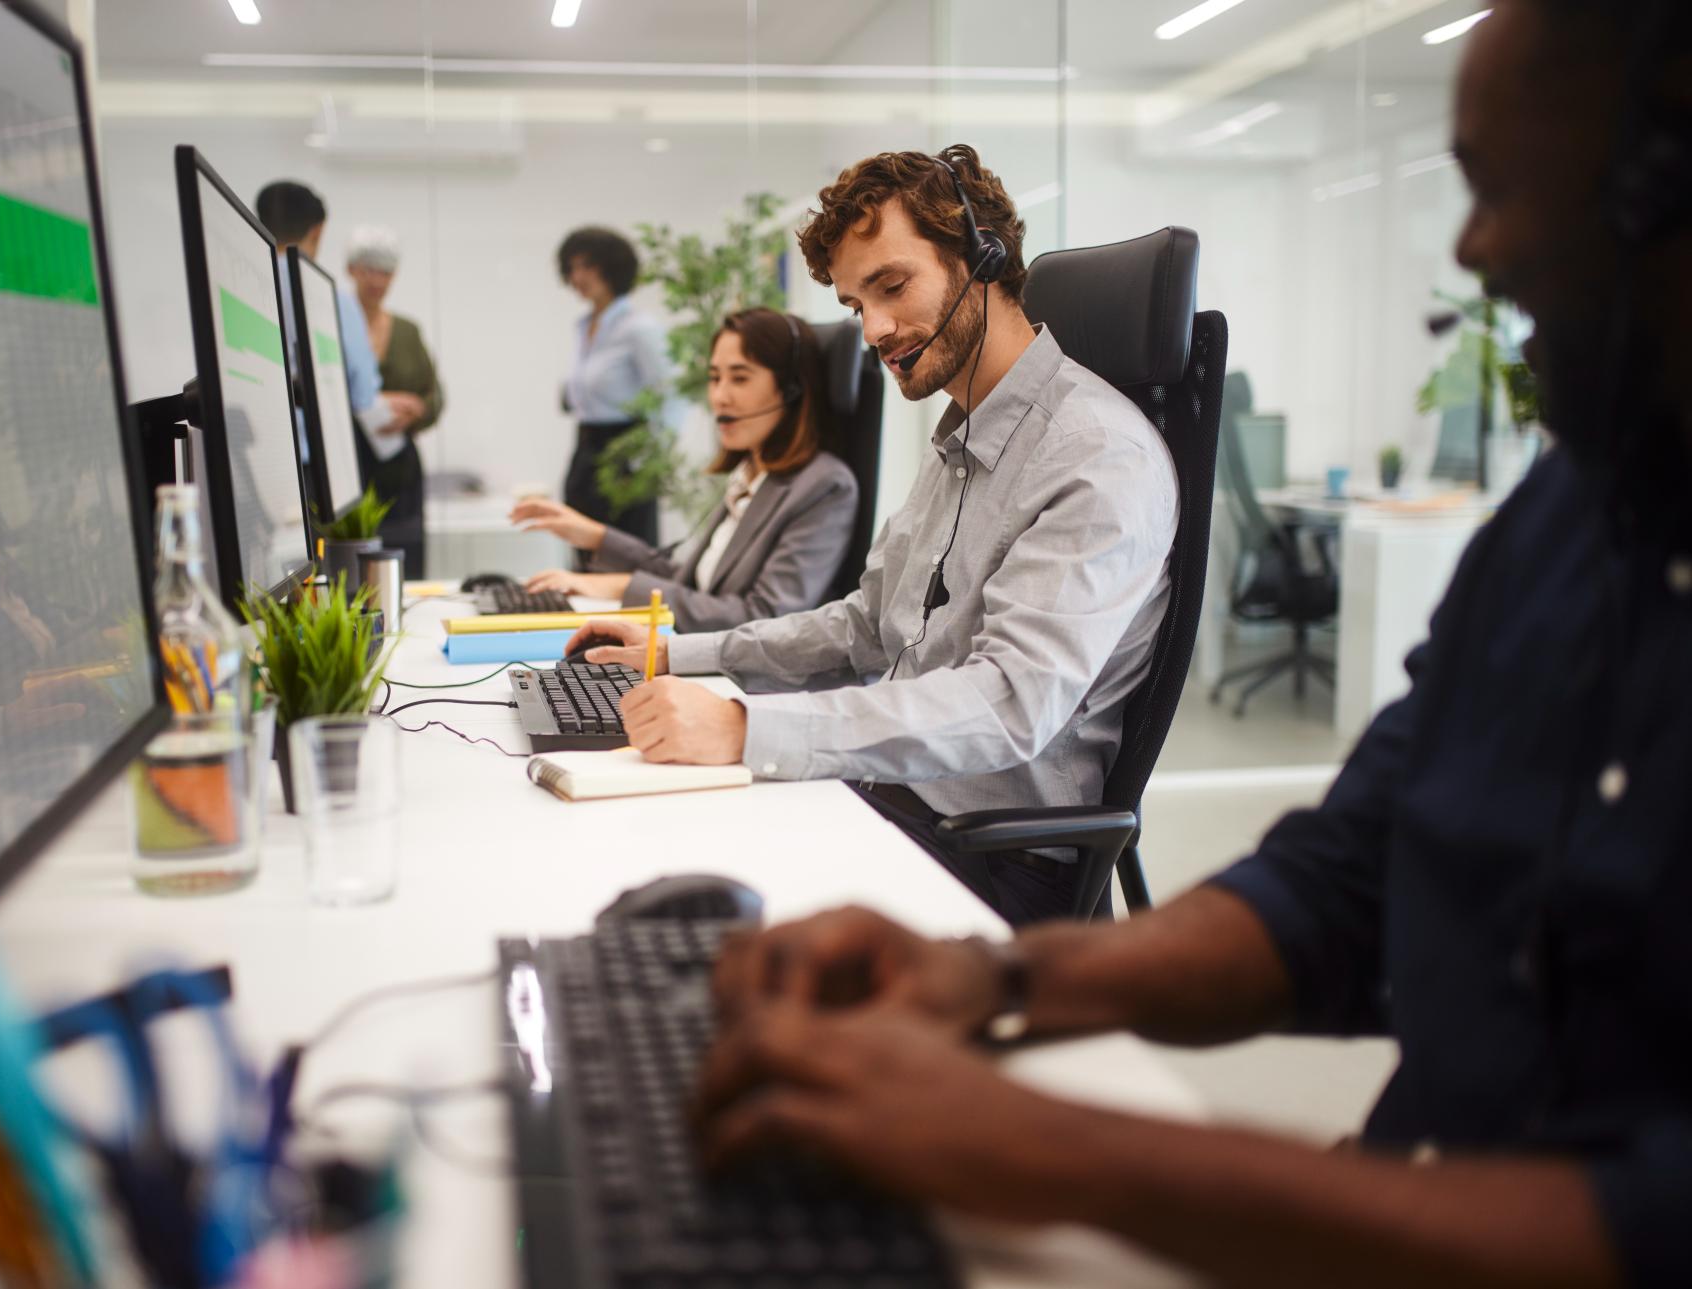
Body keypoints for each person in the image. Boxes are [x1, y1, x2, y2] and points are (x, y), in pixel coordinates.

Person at [690, 3, 1692, 1285]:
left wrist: (1044, 1139)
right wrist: (990, 986)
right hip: (1396, 1169)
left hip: (986, 834)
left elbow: (1649, 1222)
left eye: (1513, 188)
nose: (1474, 250)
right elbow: (1350, 878)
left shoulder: (1100, 455)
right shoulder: (1568, 517)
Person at [567, 145, 1179, 923]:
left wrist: (747, 726)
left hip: (993, 861)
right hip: (892, 801)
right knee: (633, 855)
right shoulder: (963, 437)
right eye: (858, 305)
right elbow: (861, 624)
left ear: (983, 259)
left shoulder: (1097, 454)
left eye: (892, 286)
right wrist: (675, 653)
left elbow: (1010, 704)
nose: (876, 330)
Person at [511, 308, 859, 632]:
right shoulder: (751, 474)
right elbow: (688, 579)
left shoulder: (824, 486)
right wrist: (592, 534)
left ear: (792, 390)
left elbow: (764, 617)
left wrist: (618, 586)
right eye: (714, 378)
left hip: (751, 689)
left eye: (739, 378)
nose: (720, 397)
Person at [252, 182, 413, 502]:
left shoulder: (241, 283)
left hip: (256, 461)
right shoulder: (330, 300)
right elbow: (362, 394)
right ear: (317, 231)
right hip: (312, 465)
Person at [558, 225, 674, 554]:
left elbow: (670, 395)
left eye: (587, 266)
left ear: (612, 268)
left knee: (626, 554)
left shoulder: (639, 329)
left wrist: (646, 459)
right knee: (582, 547)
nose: (578, 276)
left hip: (626, 452)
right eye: (573, 267)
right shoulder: (583, 327)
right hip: (585, 449)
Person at [344, 224, 445, 578]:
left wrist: (415, 413)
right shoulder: (333, 324)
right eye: (369, 269)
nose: (377, 280)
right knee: (350, 562)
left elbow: (436, 395)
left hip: (399, 466)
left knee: (406, 563)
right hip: (349, 462)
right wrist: (377, 399)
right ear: (351, 270)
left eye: (385, 272)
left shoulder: (407, 331)